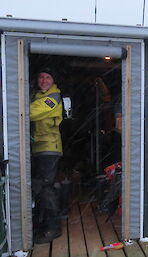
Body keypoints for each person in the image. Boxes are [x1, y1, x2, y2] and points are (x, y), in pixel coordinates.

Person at [30, 67, 63, 244]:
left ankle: (53, 228)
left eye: (47, 77)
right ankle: (44, 225)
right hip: (38, 148)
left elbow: (31, 112)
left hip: (49, 148)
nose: (43, 80)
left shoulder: (53, 97)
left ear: (53, 80)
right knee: (40, 187)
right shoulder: (37, 95)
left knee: (45, 187)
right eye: (41, 77)